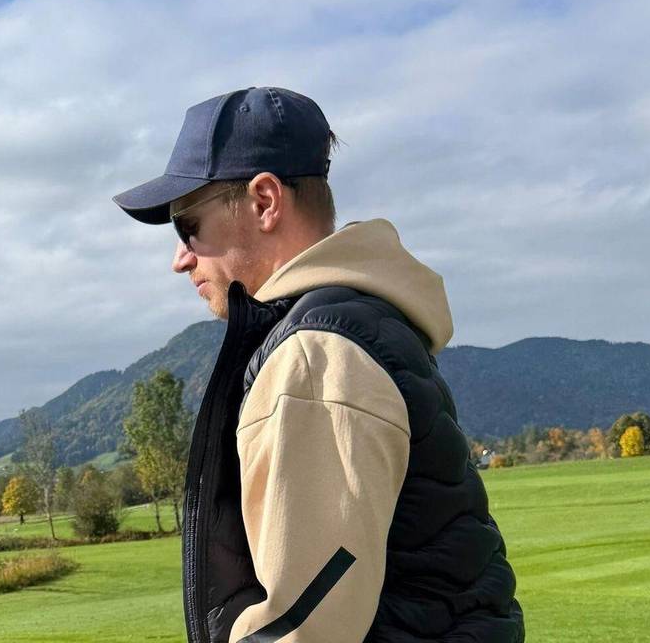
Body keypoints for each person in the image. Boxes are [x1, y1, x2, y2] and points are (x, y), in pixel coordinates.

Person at [112, 87, 523, 643]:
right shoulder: (366, 325)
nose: (180, 258)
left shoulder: (316, 356)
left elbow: (303, 628)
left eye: (188, 226)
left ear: (264, 202)